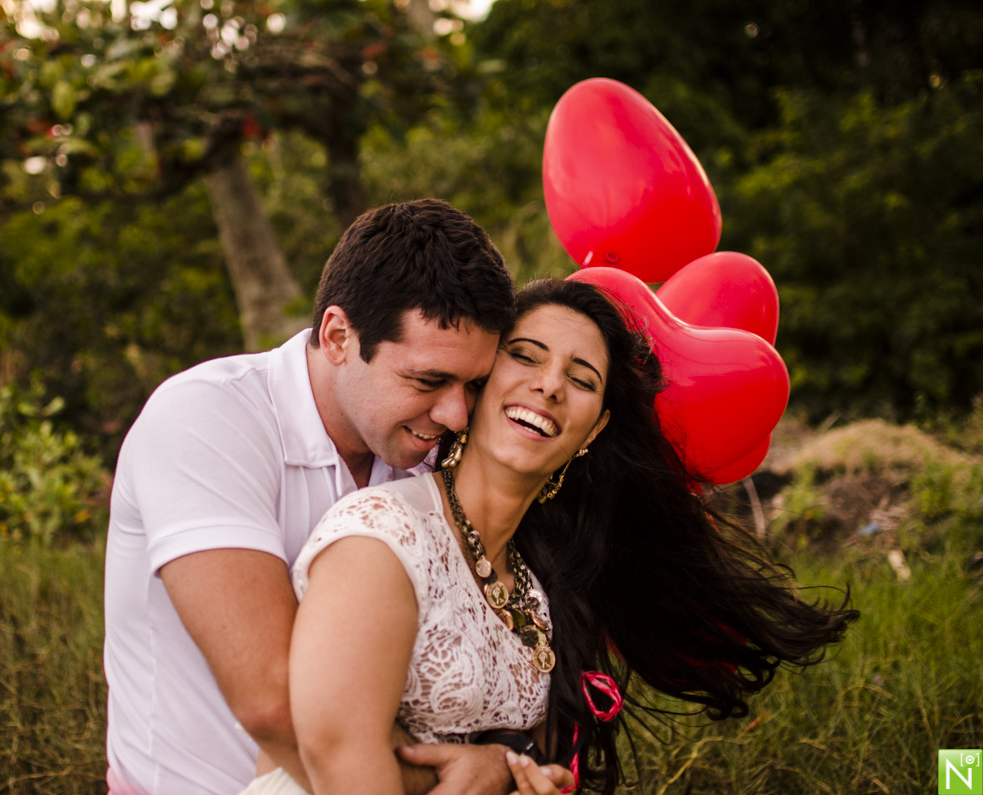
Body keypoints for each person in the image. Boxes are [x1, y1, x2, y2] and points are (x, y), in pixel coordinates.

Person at [243, 279, 857, 795]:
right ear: (480, 379)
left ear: (594, 429)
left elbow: (529, 764)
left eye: (582, 379)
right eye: (527, 356)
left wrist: (528, 779)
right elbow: (335, 751)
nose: (551, 385)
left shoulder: (540, 589)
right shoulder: (384, 534)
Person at [103, 198, 522, 795]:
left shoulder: (432, 447)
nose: (456, 414)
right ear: (338, 336)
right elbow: (274, 701)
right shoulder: (204, 420)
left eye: (473, 385)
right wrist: (459, 772)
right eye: (428, 380)